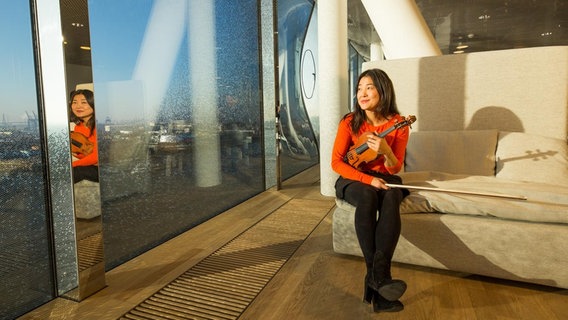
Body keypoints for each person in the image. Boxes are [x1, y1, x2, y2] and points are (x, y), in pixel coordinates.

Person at [331, 68, 410, 313]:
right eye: (359, 89)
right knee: (367, 195)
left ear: (383, 90)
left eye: (369, 87)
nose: (362, 94)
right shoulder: (350, 122)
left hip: (384, 176)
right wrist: (367, 180)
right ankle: (379, 277)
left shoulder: (399, 124)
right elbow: (336, 162)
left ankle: (376, 280)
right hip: (353, 179)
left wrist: (386, 150)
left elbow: (396, 165)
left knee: (394, 194)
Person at [69, 89, 99, 183]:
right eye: (74, 102)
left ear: (93, 104)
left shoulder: (98, 126)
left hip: (105, 169)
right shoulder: (78, 128)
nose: (78, 106)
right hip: (93, 166)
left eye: (84, 102)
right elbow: (86, 153)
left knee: (76, 171)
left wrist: (72, 164)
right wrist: (77, 153)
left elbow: (97, 157)